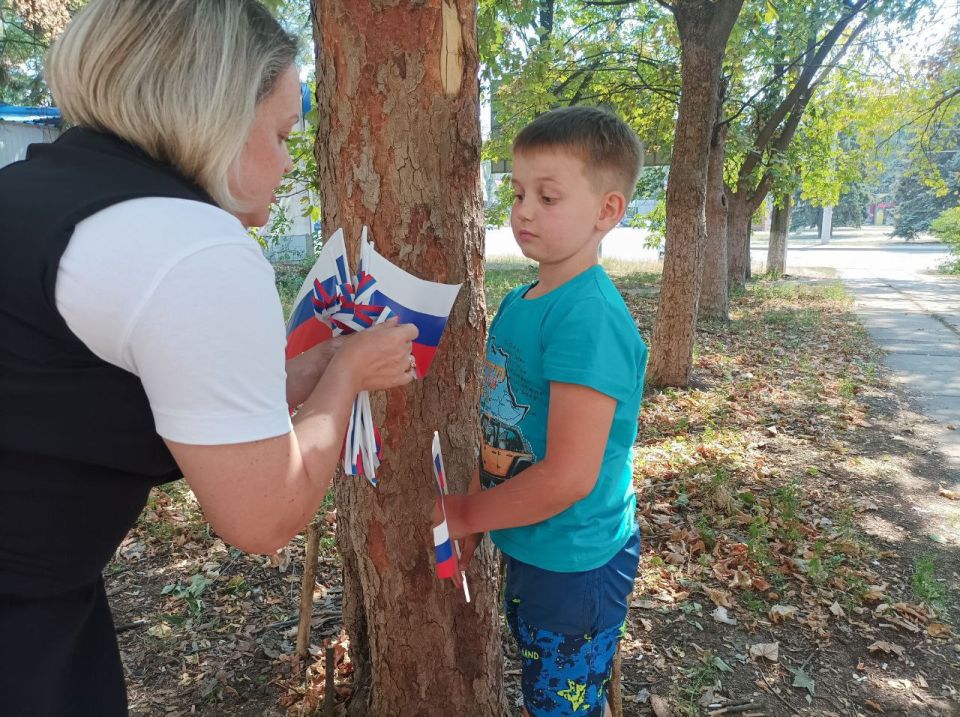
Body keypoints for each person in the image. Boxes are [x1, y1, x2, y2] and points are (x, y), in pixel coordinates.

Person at [0, 1, 418, 714]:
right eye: (283, 133)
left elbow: (74, 388)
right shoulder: (195, 245)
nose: (289, 161)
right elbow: (264, 517)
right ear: (217, 110)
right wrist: (346, 374)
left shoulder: (27, 191)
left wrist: (290, 383)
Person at [439, 106, 648, 716]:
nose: (524, 210)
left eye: (548, 197)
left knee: (561, 707)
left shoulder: (589, 318)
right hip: (533, 545)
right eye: (519, 192)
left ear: (607, 211)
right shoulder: (519, 299)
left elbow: (568, 476)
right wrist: (476, 521)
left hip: (577, 564)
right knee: (544, 691)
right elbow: (501, 431)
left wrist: (465, 511)